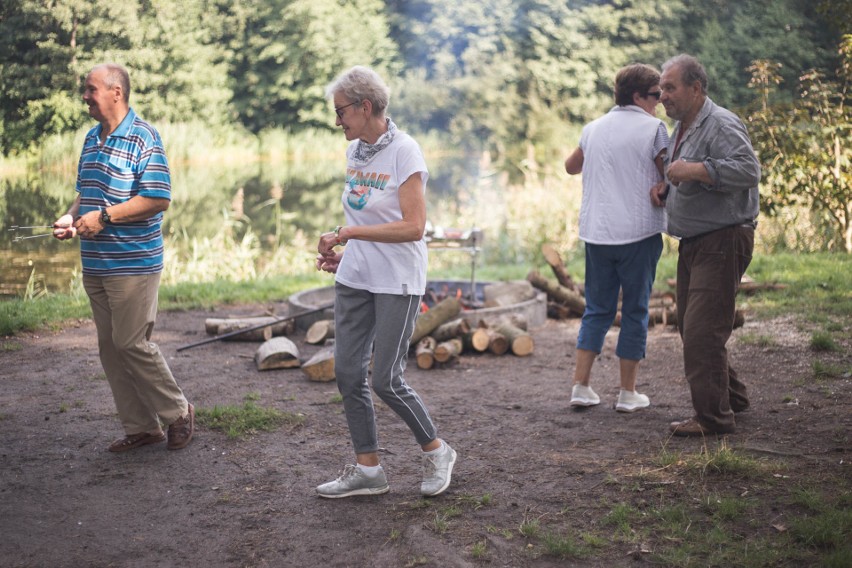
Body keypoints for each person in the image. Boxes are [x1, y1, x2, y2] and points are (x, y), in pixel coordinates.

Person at [314, 66, 456, 498]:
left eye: (342, 112)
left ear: (365, 107)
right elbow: (365, 214)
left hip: (397, 279)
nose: (337, 120)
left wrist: (350, 234)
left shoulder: (405, 152)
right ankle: (368, 469)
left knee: (386, 379)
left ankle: (437, 452)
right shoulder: (355, 151)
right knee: (347, 373)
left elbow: (414, 227)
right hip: (357, 275)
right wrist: (346, 253)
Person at [53, 63, 194, 452]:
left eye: (90, 89)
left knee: (132, 343)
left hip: (133, 264)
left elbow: (157, 197)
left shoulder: (144, 137)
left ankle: (179, 412)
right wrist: (72, 215)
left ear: (116, 92)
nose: (85, 96)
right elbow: (86, 192)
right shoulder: (90, 138)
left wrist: (106, 216)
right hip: (95, 264)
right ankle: (142, 427)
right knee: (111, 349)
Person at [650, 54, 761, 436]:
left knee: (701, 332)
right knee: (694, 327)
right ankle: (734, 398)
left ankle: (713, 419)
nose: (662, 95)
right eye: (661, 89)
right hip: (697, 241)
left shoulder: (721, 122)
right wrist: (667, 189)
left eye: (669, 87)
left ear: (695, 88)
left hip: (723, 238)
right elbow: (688, 176)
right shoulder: (685, 125)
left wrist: (694, 170)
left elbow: (748, 170)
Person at [563, 63, 669, 413]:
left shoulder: (592, 128)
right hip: (639, 233)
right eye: (656, 95)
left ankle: (581, 386)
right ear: (638, 96)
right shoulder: (655, 129)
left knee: (596, 310)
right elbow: (668, 173)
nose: (661, 102)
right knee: (636, 310)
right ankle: (627, 393)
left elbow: (571, 166)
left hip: (597, 233)